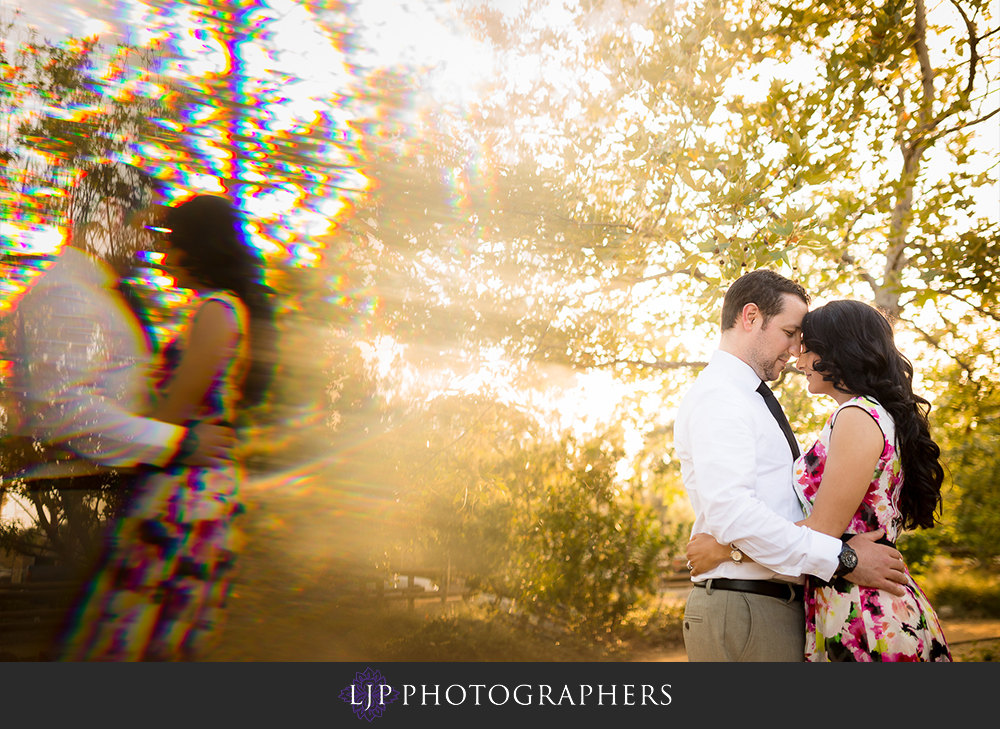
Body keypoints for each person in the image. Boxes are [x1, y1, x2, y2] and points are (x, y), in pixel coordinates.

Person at [61, 194, 275, 661]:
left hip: (186, 494)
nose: (161, 256)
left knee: (135, 631)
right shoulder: (215, 311)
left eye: (171, 244)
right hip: (195, 486)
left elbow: (173, 414)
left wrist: (115, 445)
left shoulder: (216, 312)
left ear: (197, 248)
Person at [686, 299, 951, 661]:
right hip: (851, 597)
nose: (798, 359)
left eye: (806, 348)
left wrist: (727, 549)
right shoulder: (869, 414)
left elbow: (822, 530)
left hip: (864, 610)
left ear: (837, 352)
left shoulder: (857, 416)